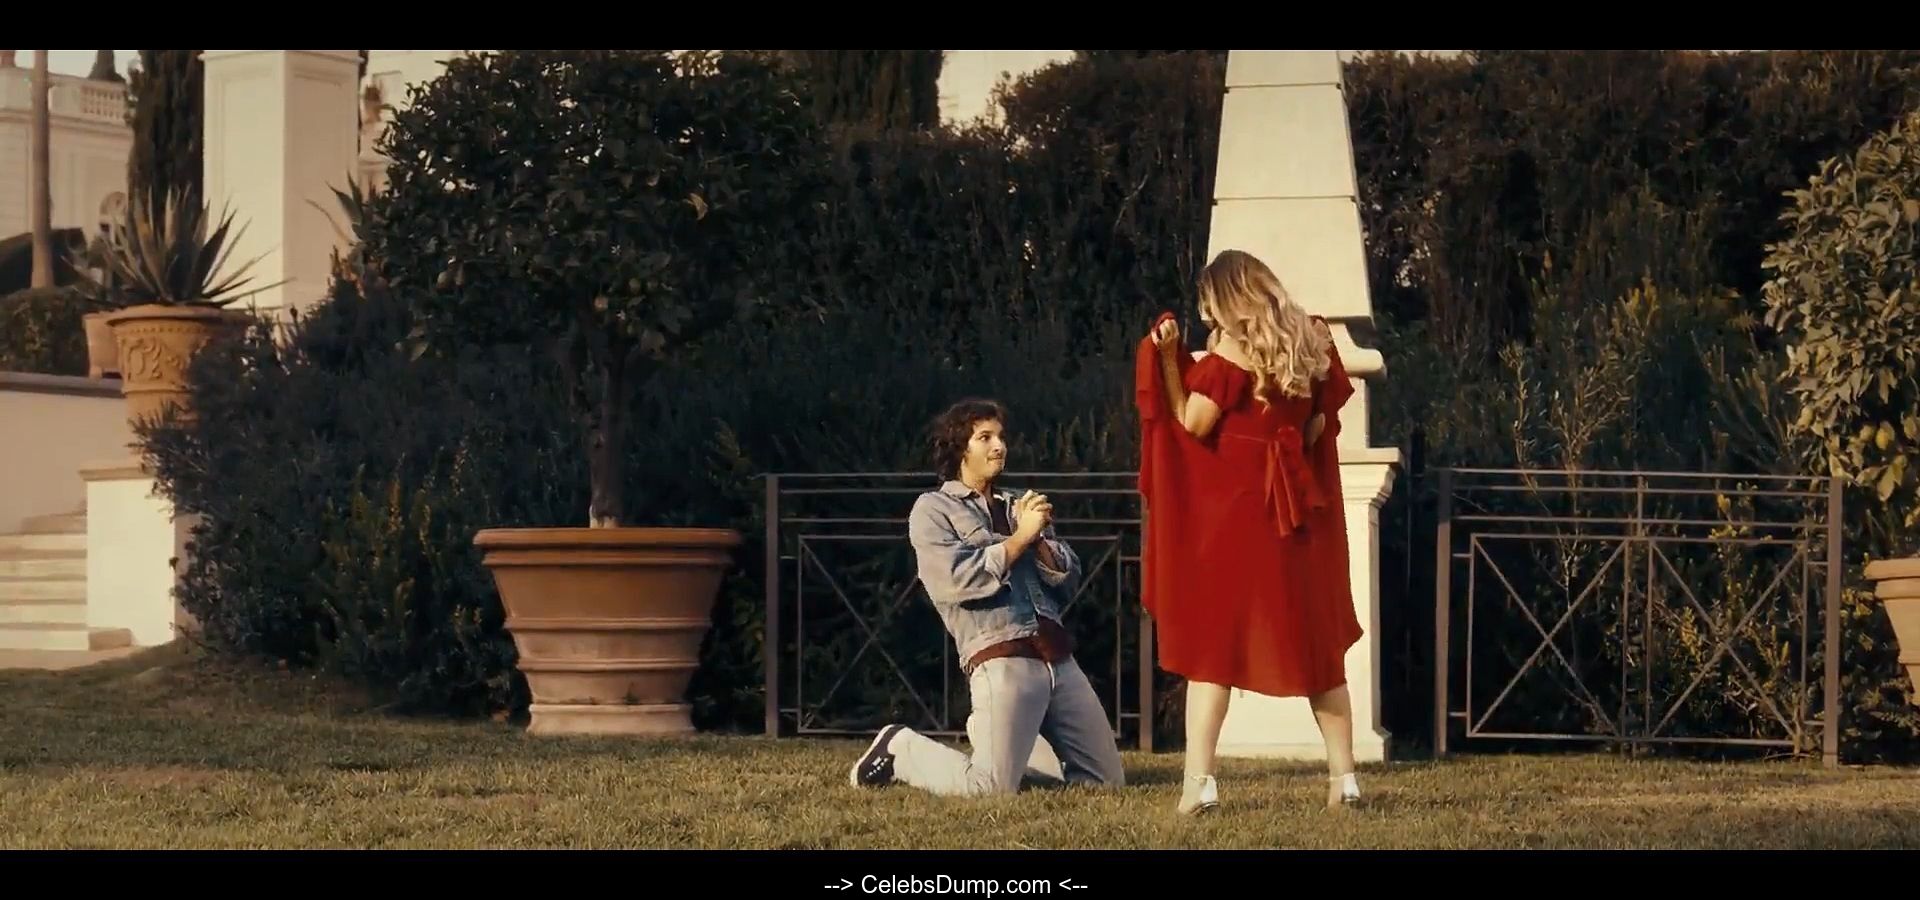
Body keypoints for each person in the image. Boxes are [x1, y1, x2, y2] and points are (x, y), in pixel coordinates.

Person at [1135, 249, 1365, 814]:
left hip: (1238, 517)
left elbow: (1193, 422)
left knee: (1214, 649)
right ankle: (1345, 780)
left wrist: (1168, 362)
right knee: (1317, 648)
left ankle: (1199, 785)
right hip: (1296, 513)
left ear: (1226, 296)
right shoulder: (1311, 342)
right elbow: (1315, 429)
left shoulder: (1231, 353)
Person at [848, 398, 1127, 796]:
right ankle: (900, 748)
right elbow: (954, 580)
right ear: (959, 448)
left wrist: (1039, 539)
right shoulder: (934, 509)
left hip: (1057, 658)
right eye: (985, 438)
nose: (999, 446)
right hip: (1002, 655)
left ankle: (1006, 745)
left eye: (1000, 437)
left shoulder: (1019, 505)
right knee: (991, 789)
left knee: (1106, 782)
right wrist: (1021, 538)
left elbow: (1068, 582)